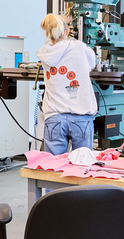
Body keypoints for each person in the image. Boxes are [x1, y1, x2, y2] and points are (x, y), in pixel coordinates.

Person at [36, 14, 98, 155]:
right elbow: (93, 62)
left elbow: (51, 41)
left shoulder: (45, 52)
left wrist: (59, 24)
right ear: (67, 31)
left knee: (54, 168)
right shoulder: (79, 48)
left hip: (54, 117)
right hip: (81, 116)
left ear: (47, 33)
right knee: (81, 165)